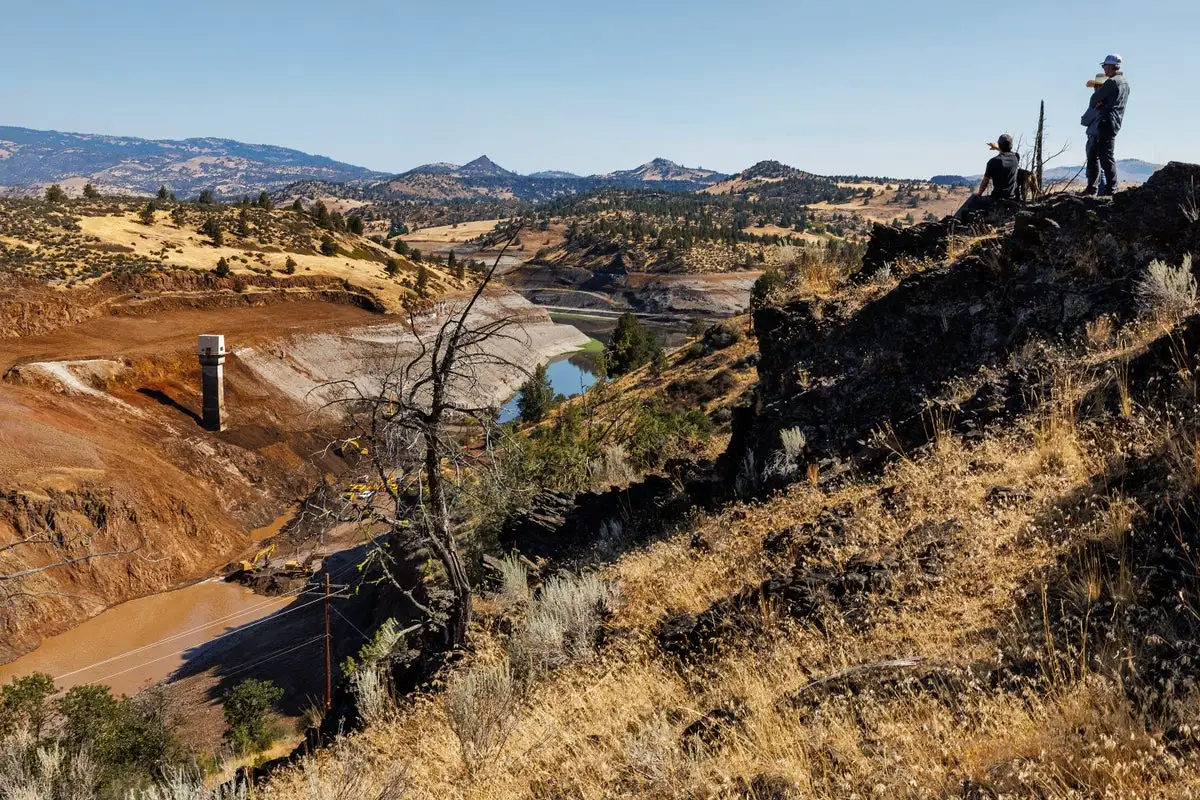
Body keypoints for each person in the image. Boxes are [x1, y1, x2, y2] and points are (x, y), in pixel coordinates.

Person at [1082, 54, 1130, 196]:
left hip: (1106, 121)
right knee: (1104, 155)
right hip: (1115, 122)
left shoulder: (1112, 82)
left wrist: (1100, 103)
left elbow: (1094, 100)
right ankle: (1108, 189)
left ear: (1111, 66)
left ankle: (1110, 190)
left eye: (1105, 66)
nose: (1104, 69)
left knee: (1105, 157)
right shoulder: (1125, 83)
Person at [955, 134, 1021, 220]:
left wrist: (978, 195)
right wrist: (997, 148)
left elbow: (984, 183)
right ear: (1011, 146)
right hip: (1012, 198)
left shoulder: (994, 161)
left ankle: (955, 221)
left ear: (999, 144)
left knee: (972, 200)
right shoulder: (1016, 157)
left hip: (997, 200)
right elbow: (1009, 152)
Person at [1081, 73, 1109, 194]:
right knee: (1100, 165)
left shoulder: (1098, 100)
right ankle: (1101, 192)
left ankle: (1096, 192)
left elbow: (1085, 120)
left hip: (1094, 135)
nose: (1095, 88)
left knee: (1094, 165)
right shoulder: (1110, 100)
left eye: (1097, 86)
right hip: (1104, 135)